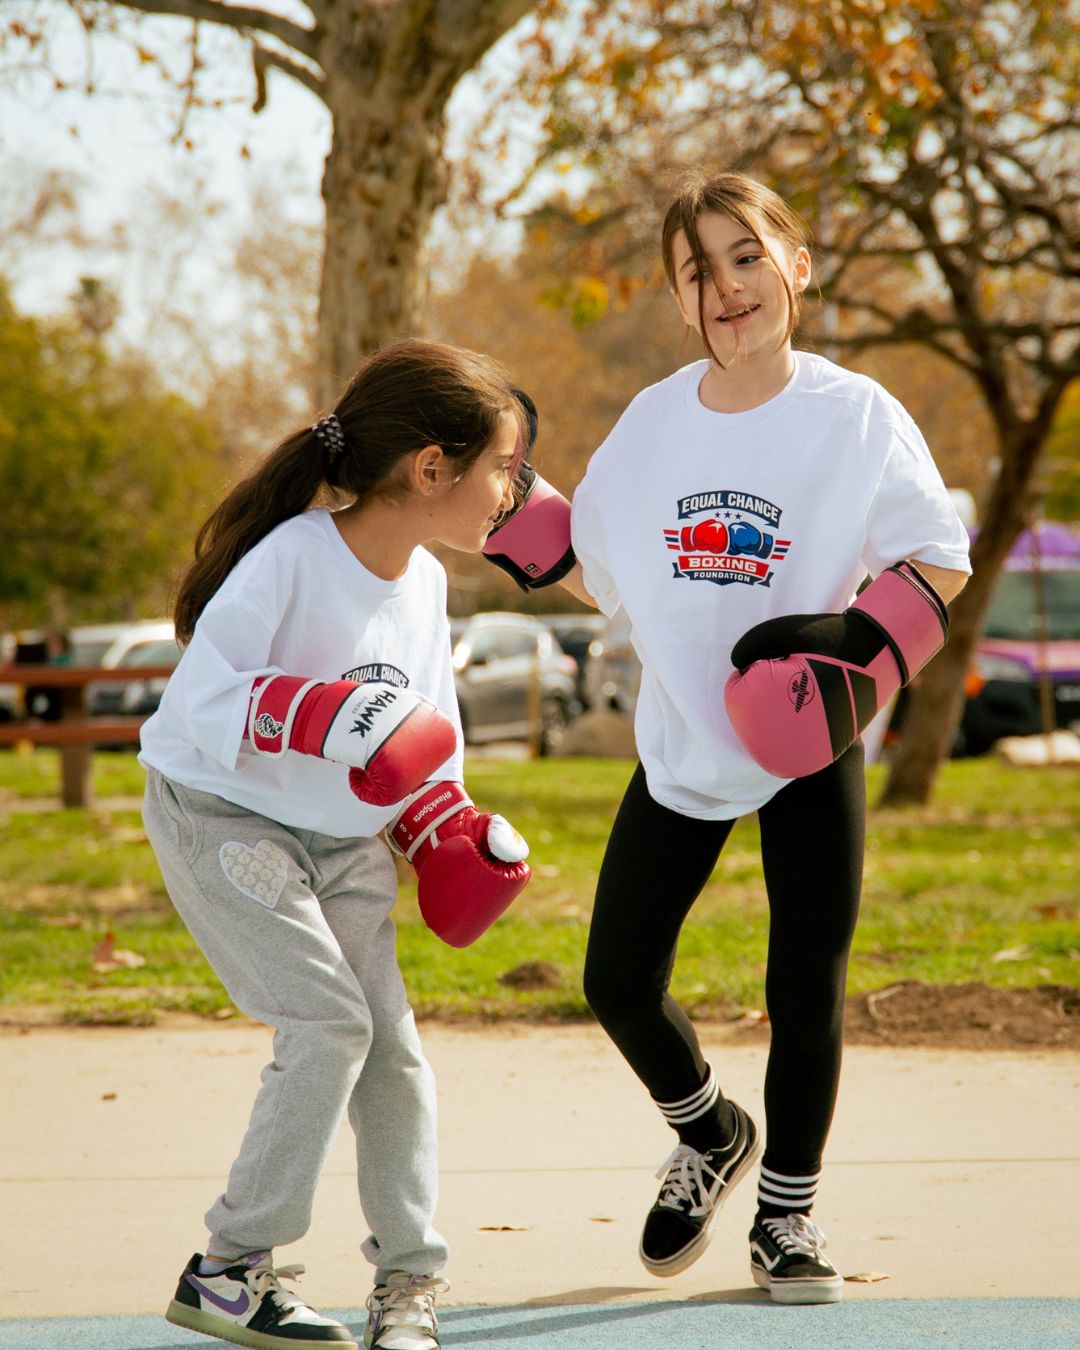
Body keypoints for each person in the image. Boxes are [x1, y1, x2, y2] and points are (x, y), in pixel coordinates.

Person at [567, 171, 971, 1304]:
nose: (727, 286)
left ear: (796, 264)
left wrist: (852, 641)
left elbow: (939, 562)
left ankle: (787, 1214)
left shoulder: (856, 416)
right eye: (698, 271)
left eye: (747, 256)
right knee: (616, 980)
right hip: (683, 741)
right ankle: (710, 1131)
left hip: (809, 742)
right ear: (677, 298)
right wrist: (476, 497)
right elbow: (586, 562)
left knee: (807, 985)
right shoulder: (649, 427)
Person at [139, 339, 536, 1350]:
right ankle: (230, 1270)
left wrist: (447, 831)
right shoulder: (293, 557)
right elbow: (201, 700)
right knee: (327, 1025)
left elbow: (421, 741)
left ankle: (409, 1282)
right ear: (431, 468)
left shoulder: (428, 585)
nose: (514, 490)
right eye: (504, 466)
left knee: (391, 1052)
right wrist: (320, 715)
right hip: (225, 818)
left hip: (345, 841)